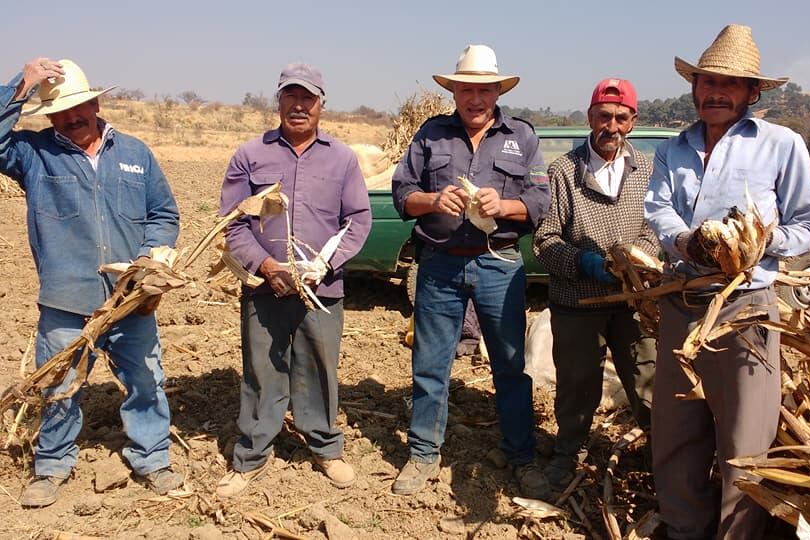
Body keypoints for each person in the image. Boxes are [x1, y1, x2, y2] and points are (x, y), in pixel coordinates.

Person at [644, 25, 810, 538]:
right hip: (682, 305)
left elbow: (809, 227)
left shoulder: (782, 145)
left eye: (730, 82)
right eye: (707, 81)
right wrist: (688, 243)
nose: (715, 91)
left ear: (752, 92)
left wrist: (756, 244)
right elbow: (658, 209)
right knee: (677, 432)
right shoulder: (673, 148)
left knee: (745, 442)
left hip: (744, 309)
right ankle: (683, 527)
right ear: (694, 86)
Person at [0, 58, 181, 507]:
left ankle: (153, 457)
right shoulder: (33, 153)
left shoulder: (135, 154)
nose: (72, 117)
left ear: (96, 102)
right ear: (48, 115)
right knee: (58, 386)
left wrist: (149, 258)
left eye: (79, 106)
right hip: (66, 298)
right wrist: (19, 86)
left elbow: (163, 214)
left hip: (130, 300)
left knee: (145, 380)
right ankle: (53, 464)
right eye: (60, 111)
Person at [391, 44, 551, 499]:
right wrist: (432, 200)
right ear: (454, 91)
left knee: (510, 365)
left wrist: (505, 206)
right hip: (439, 264)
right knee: (430, 364)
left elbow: (540, 200)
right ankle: (423, 454)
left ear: (497, 91)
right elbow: (402, 191)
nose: (475, 98)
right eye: (467, 89)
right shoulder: (430, 135)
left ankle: (520, 455)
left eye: (484, 90)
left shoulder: (522, 136)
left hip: (499, 263)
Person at [216, 63, 372, 497]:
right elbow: (232, 223)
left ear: (322, 104)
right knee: (262, 370)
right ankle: (250, 455)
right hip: (264, 288)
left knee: (319, 369)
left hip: (321, 291)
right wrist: (267, 267)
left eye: (308, 98)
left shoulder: (341, 159)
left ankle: (325, 447)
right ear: (278, 101)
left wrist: (325, 264)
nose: (299, 106)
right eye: (291, 97)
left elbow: (358, 220)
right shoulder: (251, 154)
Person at [533, 78, 658, 490]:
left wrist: (635, 257)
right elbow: (545, 239)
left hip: (632, 299)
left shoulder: (647, 171)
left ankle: (663, 454)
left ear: (633, 121)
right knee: (576, 383)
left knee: (646, 378)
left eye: (621, 117)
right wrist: (583, 262)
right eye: (604, 116)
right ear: (590, 117)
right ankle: (569, 451)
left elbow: (655, 229)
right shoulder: (564, 171)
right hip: (577, 300)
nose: (612, 126)